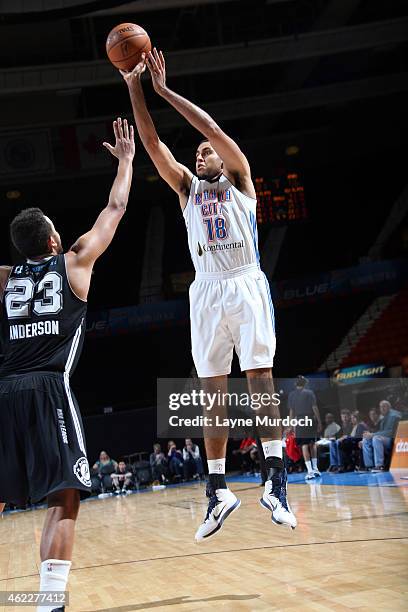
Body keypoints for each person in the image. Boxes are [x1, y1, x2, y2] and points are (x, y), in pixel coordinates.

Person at [121, 48, 296, 541]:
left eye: (206, 150)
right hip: (206, 290)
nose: (201, 153)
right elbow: (154, 144)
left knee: (259, 378)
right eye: (196, 151)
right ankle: (218, 489)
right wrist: (134, 86)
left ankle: (276, 482)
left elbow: (214, 129)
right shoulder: (186, 190)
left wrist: (164, 91)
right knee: (210, 392)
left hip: (244, 281)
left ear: (223, 156)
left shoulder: (241, 181)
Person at [0, 117, 134, 612]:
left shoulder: (5, 278)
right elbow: (115, 207)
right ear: (54, 242)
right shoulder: (74, 261)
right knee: (64, 495)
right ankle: (49, 602)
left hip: (5, 389)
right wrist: (125, 161)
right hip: (47, 389)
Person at [289, 376, 323, 480]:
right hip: (310, 418)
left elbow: (291, 411)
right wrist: (319, 421)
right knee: (312, 444)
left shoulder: (292, 395)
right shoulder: (310, 393)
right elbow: (314, 407)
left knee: (304, 445)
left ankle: (310, 471)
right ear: (305, 384)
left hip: (299, 420)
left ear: (296, 384)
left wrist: (291, 425)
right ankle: (316, 469)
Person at [362, 400, 401, 472]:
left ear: (389, 407)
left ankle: (379, 466)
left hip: (393, 440)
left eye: (384, 406)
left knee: (376, 438)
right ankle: (369, 466)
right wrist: (369, 435)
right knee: (365, 440)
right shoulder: (384, 417)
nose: (382, 409)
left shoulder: (393, 415)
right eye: (380, 407)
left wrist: (372, 435)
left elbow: (390, 432)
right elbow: (381, 432)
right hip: (385, 439)